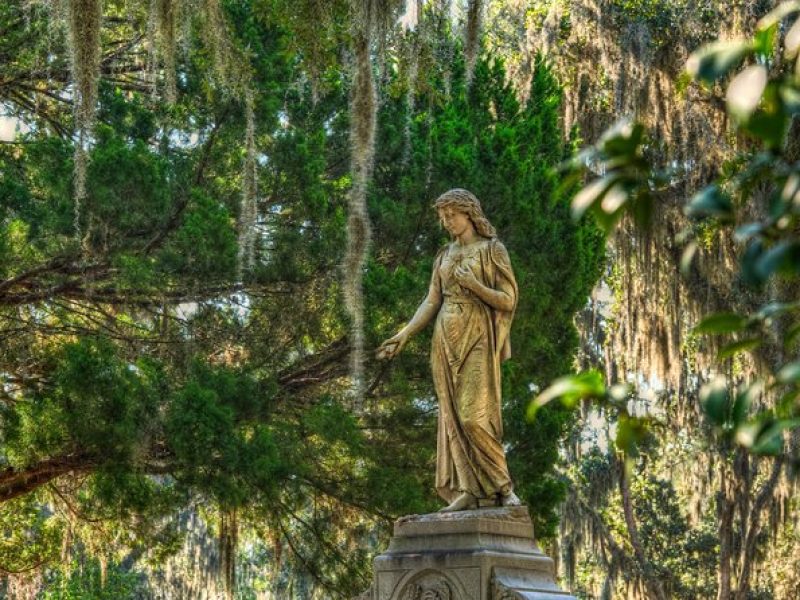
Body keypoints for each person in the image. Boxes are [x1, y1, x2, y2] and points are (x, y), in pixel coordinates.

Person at [377, 188, 522, 512]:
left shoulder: (491, 250)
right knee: (452, 419)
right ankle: (469, 489)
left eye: (451, 216)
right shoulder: (443, 255)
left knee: (473, 417)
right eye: (443, 218)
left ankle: (503, 486)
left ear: (469, 213)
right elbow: (431, 300)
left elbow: (508, 300)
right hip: (444, 337)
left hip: (478, 336)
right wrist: (403, 335)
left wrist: (475, 286)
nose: (447, 223)